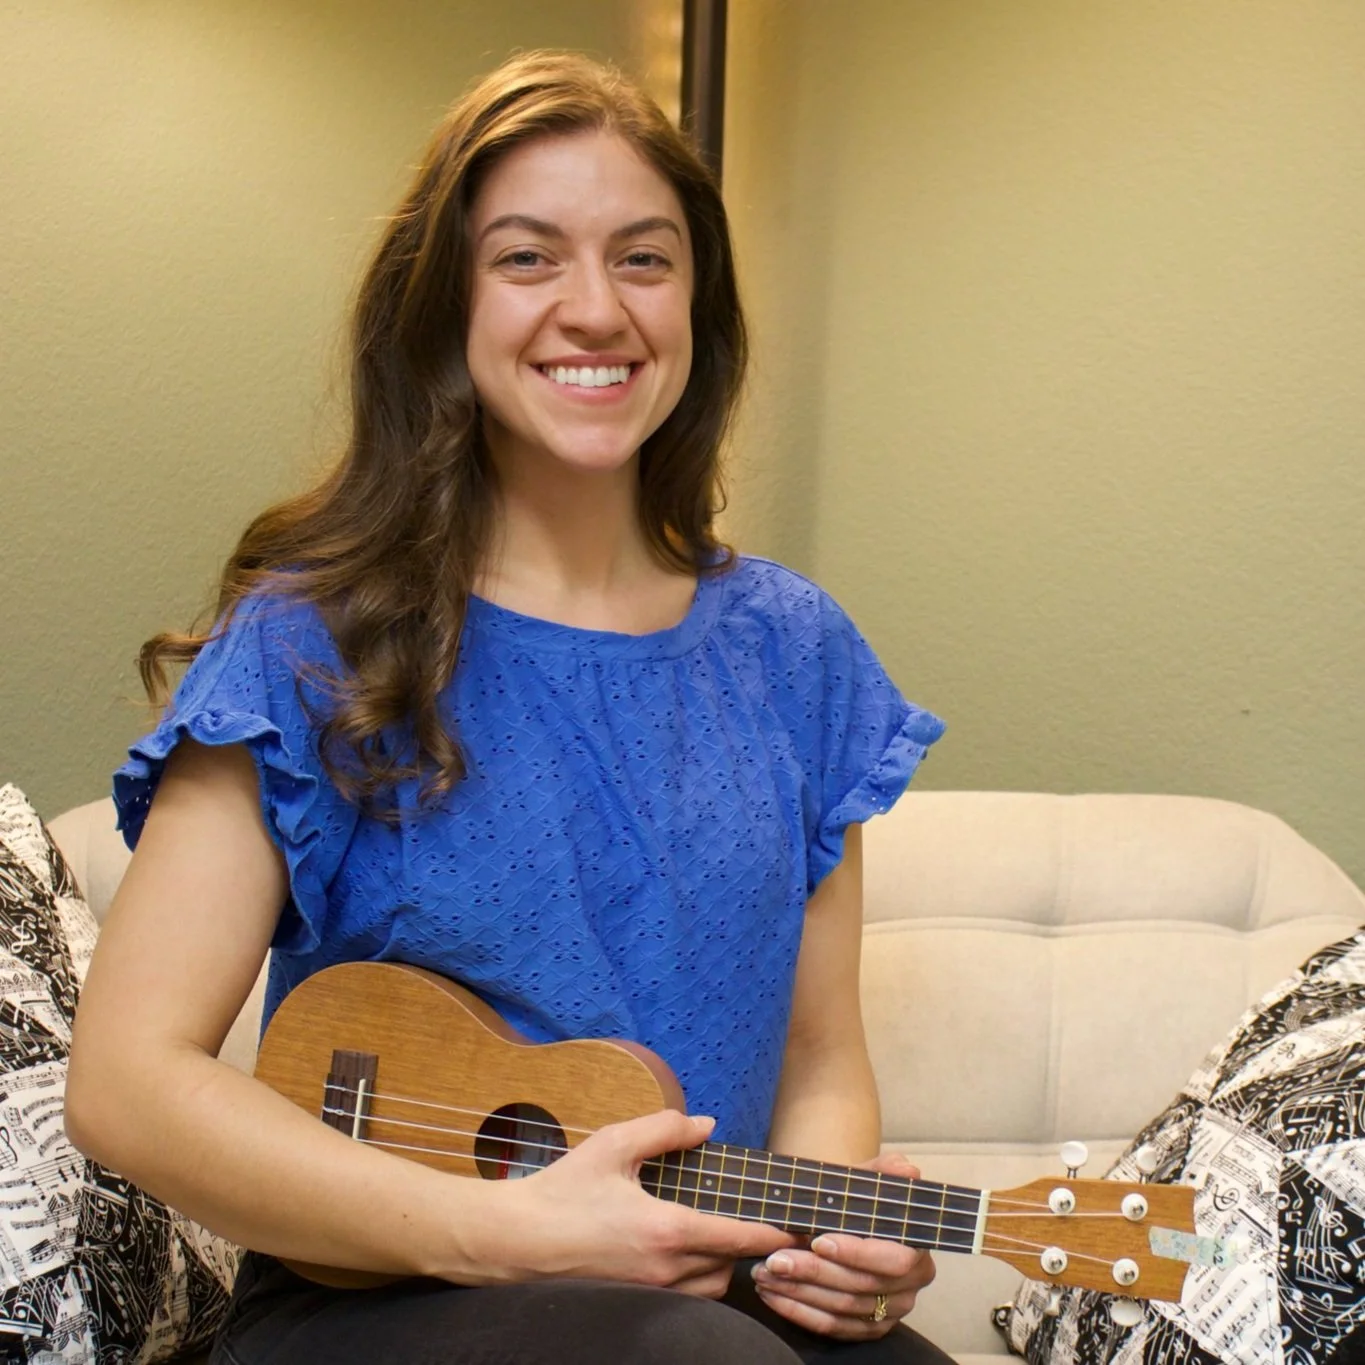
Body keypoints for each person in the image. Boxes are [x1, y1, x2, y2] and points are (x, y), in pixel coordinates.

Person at [66, 50, 953, 1365]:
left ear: (698, 306)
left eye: (644, 260)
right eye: (528, 259)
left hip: (696, 1298)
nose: (596, 309)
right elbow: (125, 1084)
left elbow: (821, 1063)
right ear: (446, 308)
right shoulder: (313, 638)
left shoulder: (798, 654)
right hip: (374, 1301)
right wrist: (513, 1235)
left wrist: (831, 1247)